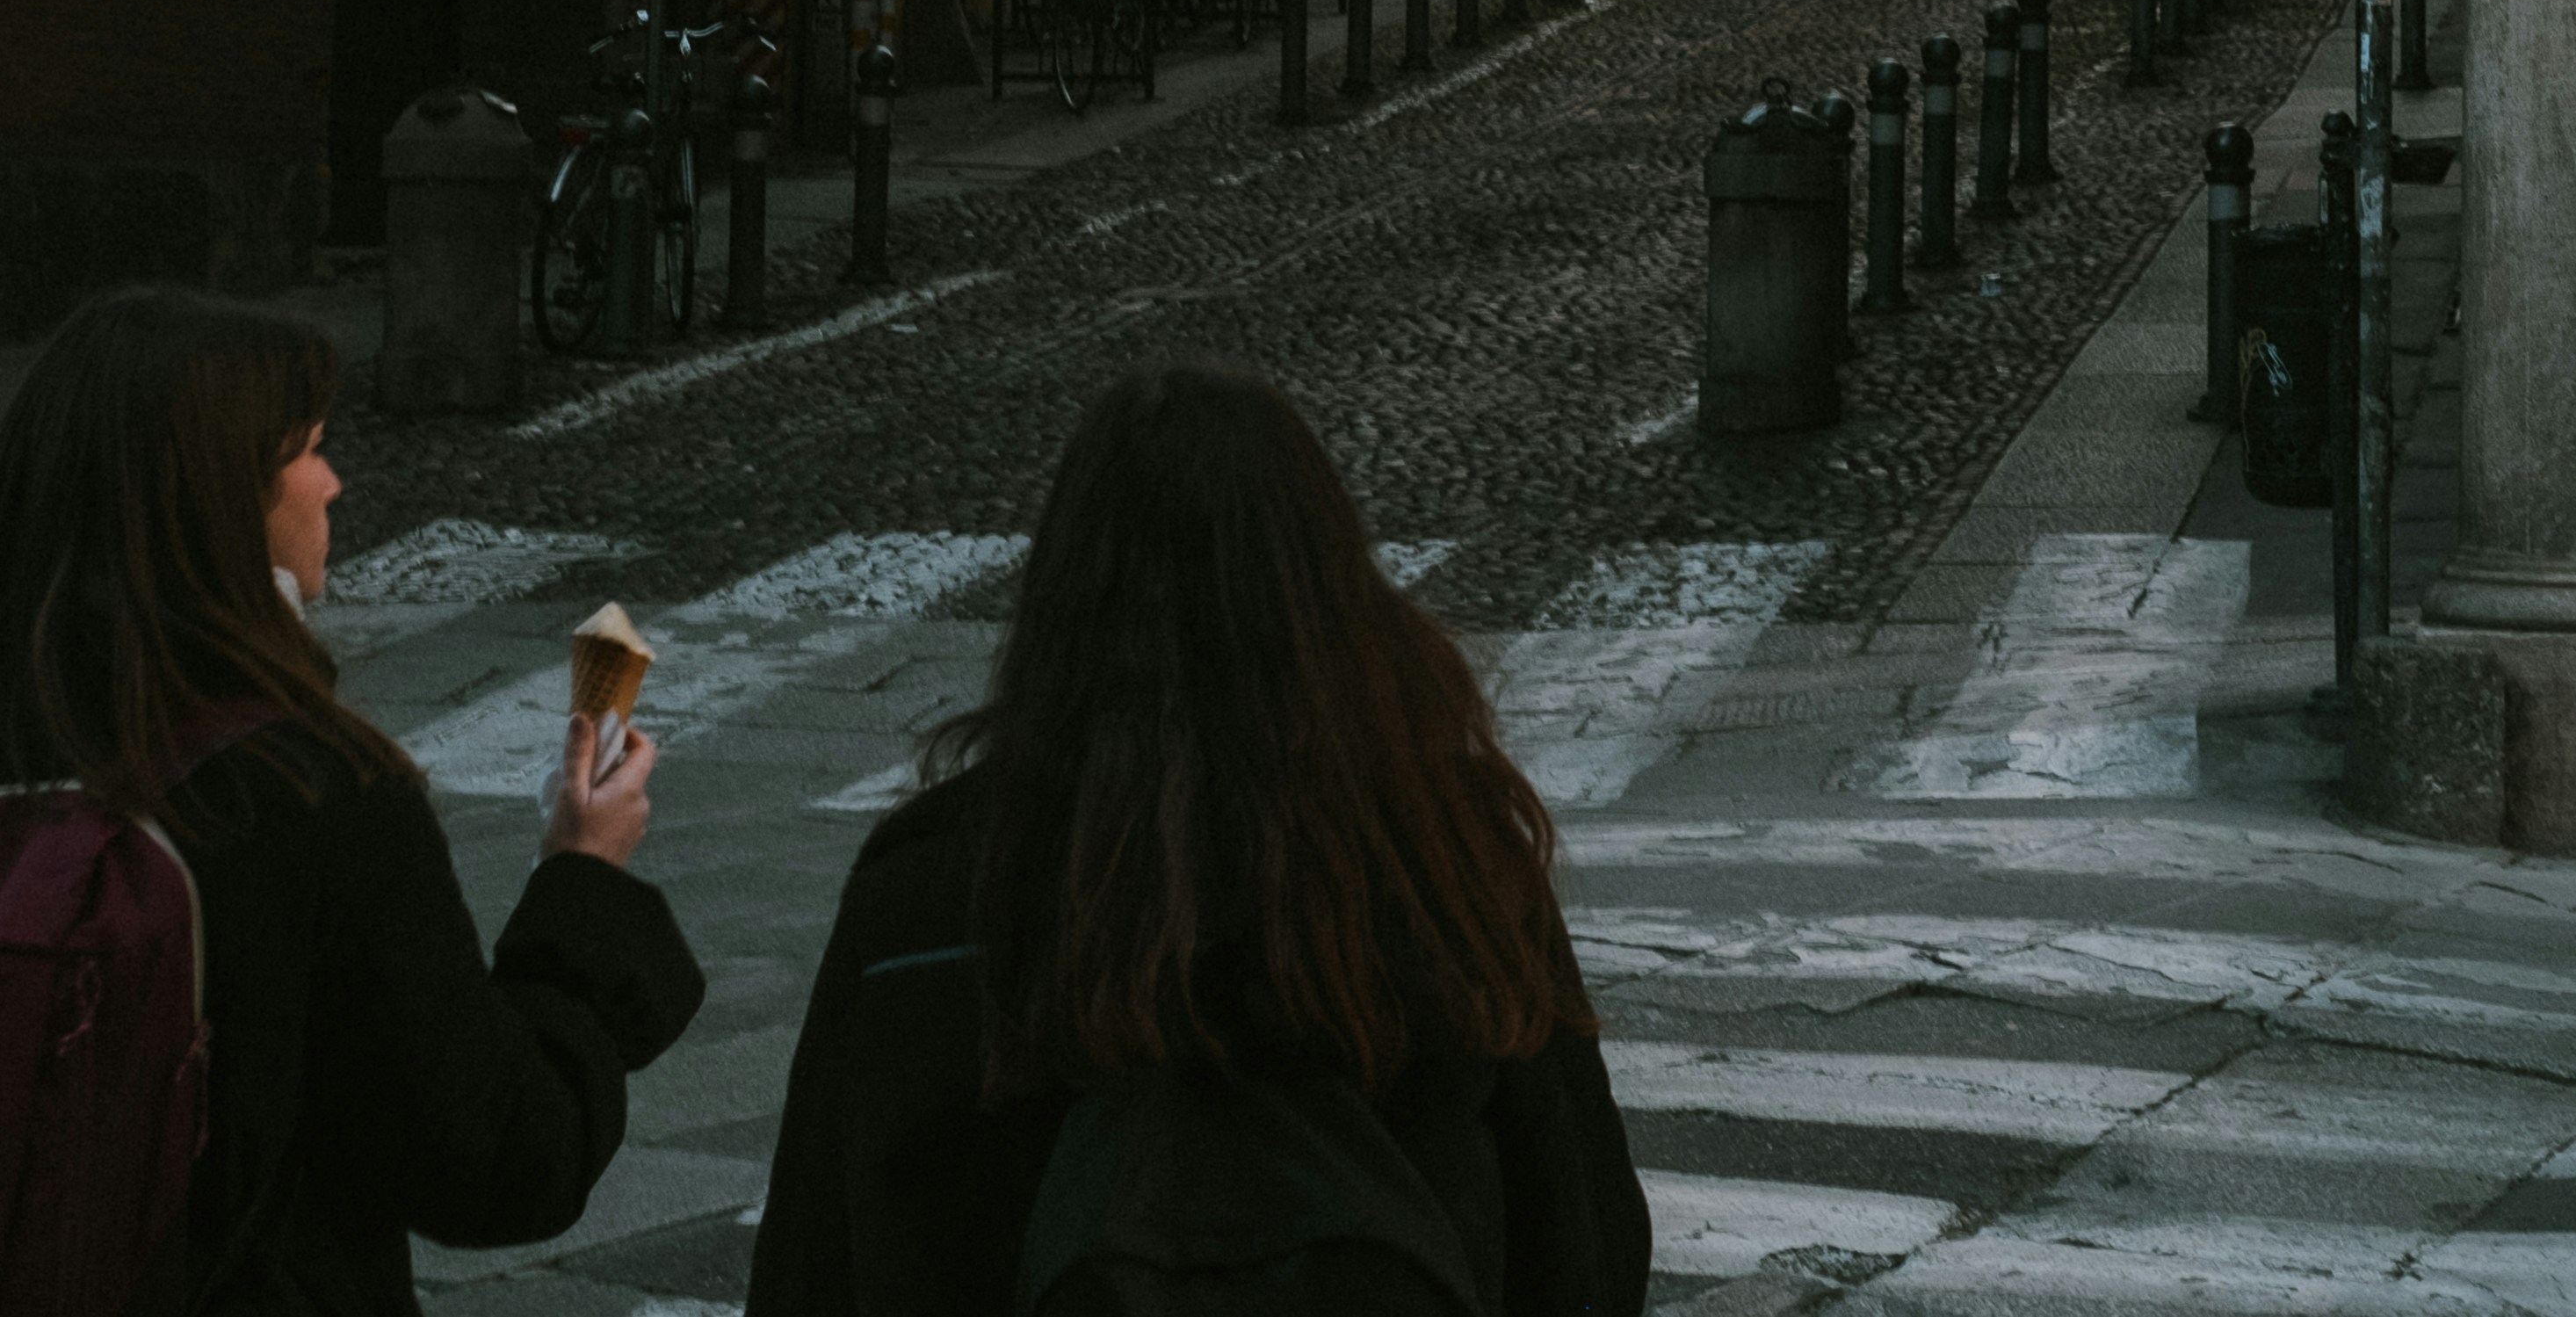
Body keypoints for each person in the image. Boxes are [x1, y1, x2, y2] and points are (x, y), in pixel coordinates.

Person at [749, 356, 1651, 1317]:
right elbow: (1587, 1252)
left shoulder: (929, 904)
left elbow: (813, 1273)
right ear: (1328, 597)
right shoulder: (1443, 868)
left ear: (1058, 604)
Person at [0, 284, 704, 1314]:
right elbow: (497, 1154)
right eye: (310, 447)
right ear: (222, 494)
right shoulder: (307, 790)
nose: (332, 483)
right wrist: (582, 879)